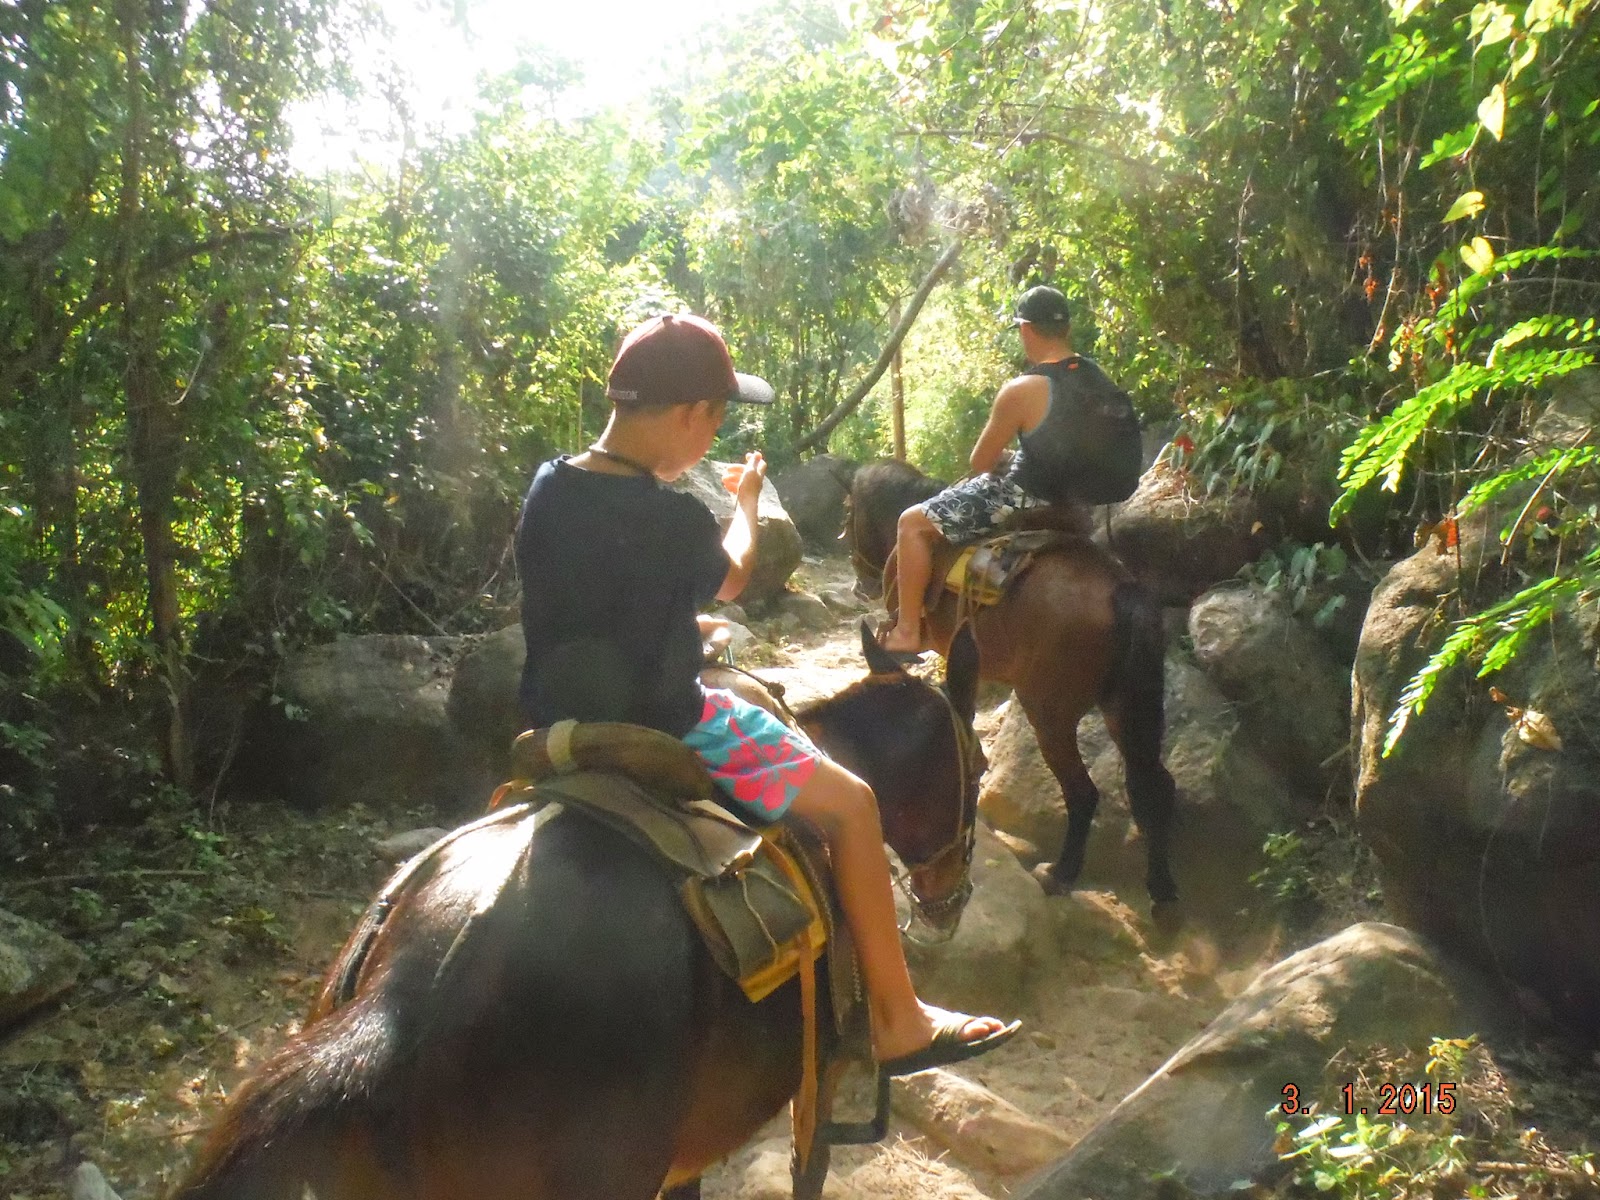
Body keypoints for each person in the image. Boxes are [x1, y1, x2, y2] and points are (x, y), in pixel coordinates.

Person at [514, 312, 1018, 1075]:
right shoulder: (673, 514)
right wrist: (745, 500)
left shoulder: (549, 484)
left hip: (559, 719)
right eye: (713, 423)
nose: (710, 442)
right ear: (690, 415)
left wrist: (679, 627)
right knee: (852, 806)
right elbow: (737, 572)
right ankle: (900, 1020)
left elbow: (588, 602)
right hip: (670, 723)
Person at [881, 284, 1102, 654]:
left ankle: (906, 630)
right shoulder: (1097, 378)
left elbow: (981, 462)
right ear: (1066, 329)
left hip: (1023, 497)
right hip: (1081, 499)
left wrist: (1010, 459)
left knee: (911, 523)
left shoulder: (1024, 387)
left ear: (1027, 329)